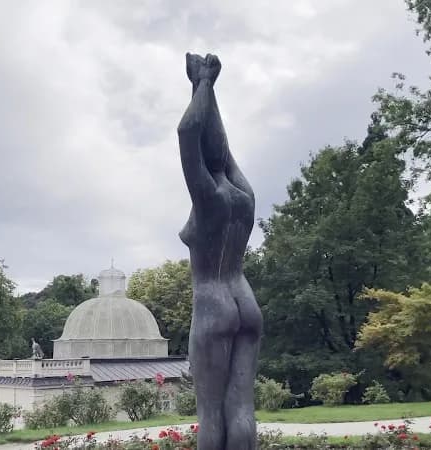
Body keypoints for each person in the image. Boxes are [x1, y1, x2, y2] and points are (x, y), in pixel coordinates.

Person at [177, 53, 262, 450]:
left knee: (210, 413)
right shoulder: (245, 195)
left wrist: (203, 84)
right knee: (241, 407)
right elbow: (220, 150)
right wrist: (205, 87)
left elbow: (187, 132)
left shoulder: (208, 198)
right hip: (245, 299)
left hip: (213, 302)